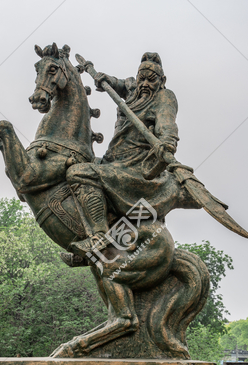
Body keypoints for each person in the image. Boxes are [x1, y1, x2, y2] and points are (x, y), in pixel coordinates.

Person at [67, 52, 194, 257]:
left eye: (151, 80)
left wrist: (167, 143)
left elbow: (167, 125)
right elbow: (118, 83)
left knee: (78, 173)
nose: (144, 84)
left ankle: (98, 238)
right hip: (113, 161)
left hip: (136, 168)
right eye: (141, 78)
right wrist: (103, 78)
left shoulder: (164, 97)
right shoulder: (133, 88)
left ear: (162, 81)